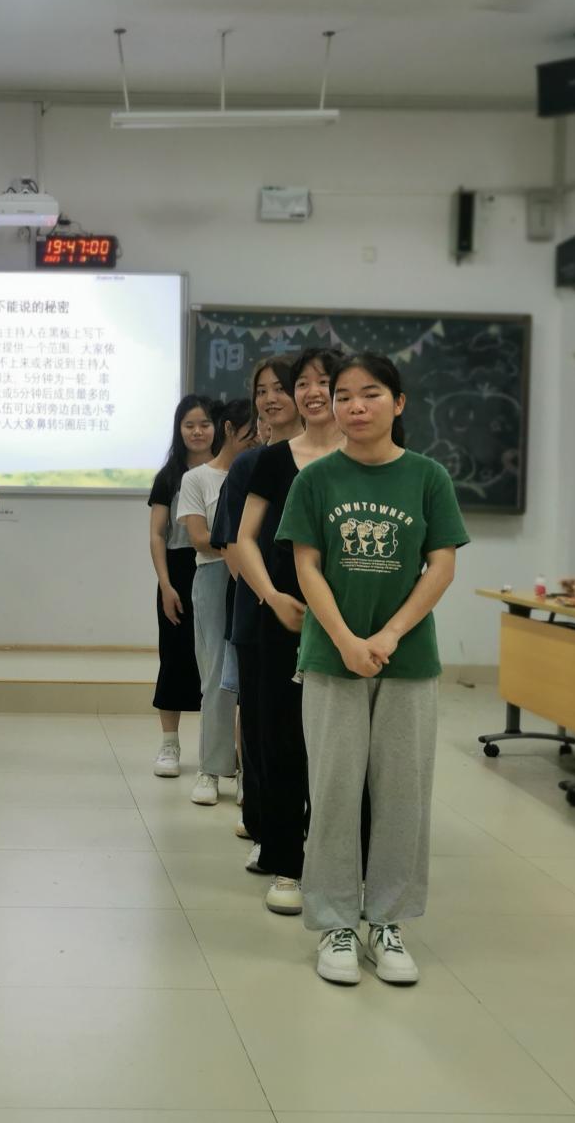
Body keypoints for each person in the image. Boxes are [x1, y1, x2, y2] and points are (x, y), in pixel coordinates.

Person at [279, 352, 469, 986]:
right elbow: (307, 566)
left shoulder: (427, 476)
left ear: (399, 402)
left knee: (403, 794)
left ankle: (388, 921)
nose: (355, 406)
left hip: (408, 659)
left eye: (371, 394)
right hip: (331, 657)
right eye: (343, 396)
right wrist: (345, 639)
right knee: (334, 790)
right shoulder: (315, 479)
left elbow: (441, 565)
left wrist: (387, 635)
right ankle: (335, 922)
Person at [235, 348, 342, 916]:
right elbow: (244, 539)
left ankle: (338, 859)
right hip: (284, 617)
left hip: (347, 624)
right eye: (303, 383)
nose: (311, 392)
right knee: (281, 738)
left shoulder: (364, 458)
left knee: (341, 745)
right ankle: (285, 860)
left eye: (324, 382)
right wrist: (272, 597)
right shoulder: (274, 460)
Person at [217, 357, 300, 858]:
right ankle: (264, 825)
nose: (270, 399)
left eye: (281, 388)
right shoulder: (249, 464)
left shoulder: (332, 464)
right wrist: (267, 595)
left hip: (319, 618)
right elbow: (233, 545)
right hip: (259, 612)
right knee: (262, 725)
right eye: (261, 390)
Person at [176, 397, 255, 805]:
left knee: (253, 680)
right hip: (214, 577)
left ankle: (248, 770)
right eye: (251, 434)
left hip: (257, 578)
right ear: (229, 429)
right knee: (215, 677)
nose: (258, 441)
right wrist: (240, 547)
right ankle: (211, 768)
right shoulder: (198, 479)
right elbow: (198, 537)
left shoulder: (261, 471)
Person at [147, 394, 216, 777]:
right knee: (174, 658)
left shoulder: (231, 469)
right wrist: (165, 585)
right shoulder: (169, 476)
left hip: (220, 567)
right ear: (179, 430)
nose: (197, 431)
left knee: (219, 663)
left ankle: (219, 748)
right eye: (189, 425)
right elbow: (157, 534)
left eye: (204, 424)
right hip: (177, 571)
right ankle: (169, 745)